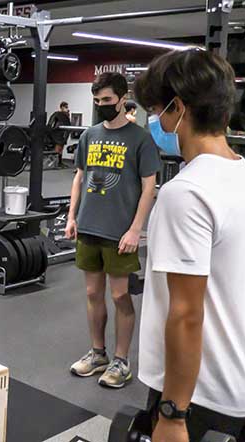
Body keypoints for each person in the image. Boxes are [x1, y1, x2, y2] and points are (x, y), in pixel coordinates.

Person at [135, 50, 245, 441]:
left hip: (199, 397)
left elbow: (186, 314)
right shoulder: (242, 174)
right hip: (237, 385)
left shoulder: (186, 192)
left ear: (178, 108)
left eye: (156, 110)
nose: (154, 122)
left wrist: (173, 412)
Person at [65, 72, 161, 389]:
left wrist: (136, 230)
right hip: (89, 225)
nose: (101, 105)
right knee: (93, 293)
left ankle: (122, 361)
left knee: (120, 295)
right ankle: (98, 354)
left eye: (107, 100)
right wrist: (71, 216)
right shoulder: (89, 135)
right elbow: (79, 177)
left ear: (123, 99)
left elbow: (149, 189)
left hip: (120, 232)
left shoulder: (141, 139)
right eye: (97, 101)